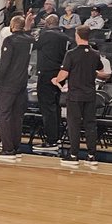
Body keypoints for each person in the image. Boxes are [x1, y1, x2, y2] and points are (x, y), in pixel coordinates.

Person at [53, 25, 110, 166]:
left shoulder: (71, 54)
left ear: (77, 36)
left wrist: (56, 79)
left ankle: (74, 155)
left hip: (75, 95)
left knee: (74, 125)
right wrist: (91, 71)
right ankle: (91, 156)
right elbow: (101, 70)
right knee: (90, 125)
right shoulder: (95, 54)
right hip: (90, 95)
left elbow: (64, 74)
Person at [0, 16, 34, 161]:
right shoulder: (29, 40)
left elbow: (4, 64)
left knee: (4, 115)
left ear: (12, 25)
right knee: (17, 116)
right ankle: (16, 148)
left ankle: (7, 149)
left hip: (8, 84)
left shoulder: (10, 40)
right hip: (22, 83)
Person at [33, 14, 70, 153]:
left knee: (47, 107)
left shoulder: (46, 35)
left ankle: (51, 140)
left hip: (46, 74)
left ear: (47, 24)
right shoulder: (65, 37)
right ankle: (57, 137)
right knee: (55, 106)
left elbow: (33, 45)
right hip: (59, 75)